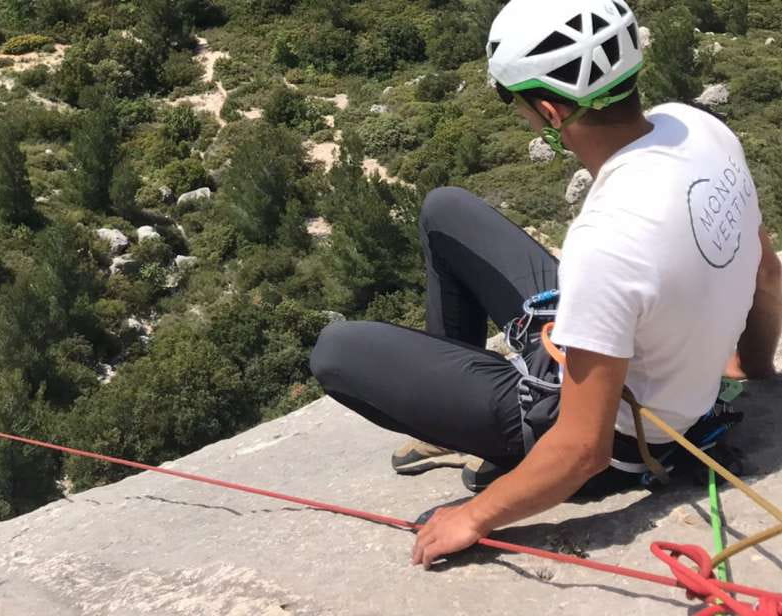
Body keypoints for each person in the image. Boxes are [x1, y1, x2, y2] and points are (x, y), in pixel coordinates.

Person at [309, 0, 781, 569]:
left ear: (551, 111)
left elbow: (584, 449)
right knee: (444, 210)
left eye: (518, 105)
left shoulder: (607, 238)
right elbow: (766, 272)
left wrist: (474, 515)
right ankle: (459, 426)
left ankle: (490, 437)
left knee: (336, 351)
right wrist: (752, 370)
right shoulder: (701, 127)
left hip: (627, 441)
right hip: (650, 370)